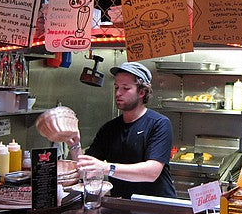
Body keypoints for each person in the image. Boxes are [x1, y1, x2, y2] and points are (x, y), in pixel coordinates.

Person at [68, 61, 177, 199]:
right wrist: (74, 144)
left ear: (142, 92)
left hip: (155, 205)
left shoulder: (159, 124)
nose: (118, 93)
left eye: (125, 88)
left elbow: (152, 172)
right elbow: (86, 172)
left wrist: (106, 168)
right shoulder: (109, 129)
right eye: (116, 87)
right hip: (121, 204)